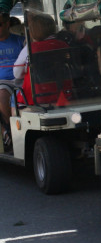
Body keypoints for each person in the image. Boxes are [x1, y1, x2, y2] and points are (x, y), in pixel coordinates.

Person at [15, 14, 70, 106]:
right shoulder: (63, 45)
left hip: (36, 97)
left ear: (32, 31)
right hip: (64, 94)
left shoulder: (30, 48)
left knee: (14, 102)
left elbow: (17, 73)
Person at [0, 12, 24, 150]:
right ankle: (9, 131)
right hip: (3, 81)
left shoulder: (20, 41)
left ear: (7, 24)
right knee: (2, 94)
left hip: (21, 79)